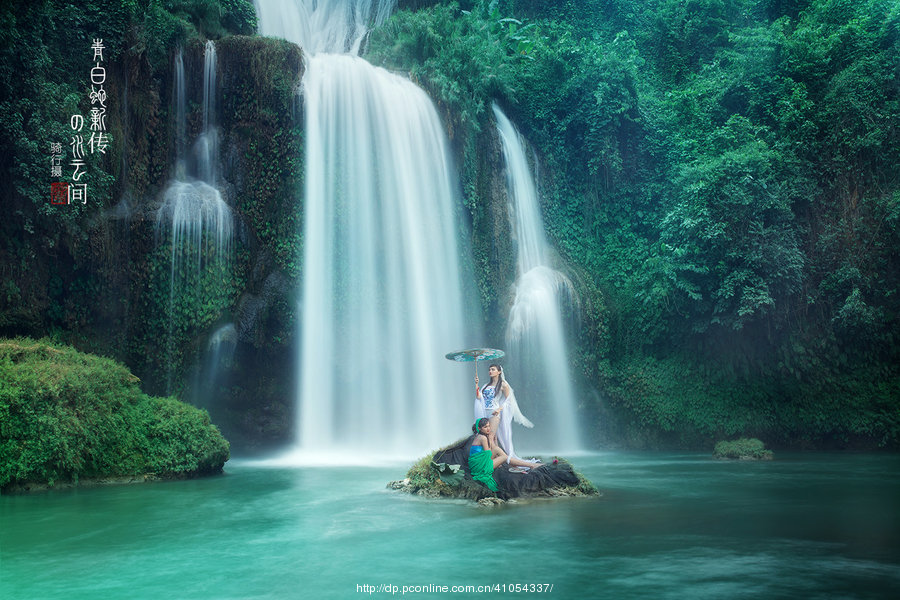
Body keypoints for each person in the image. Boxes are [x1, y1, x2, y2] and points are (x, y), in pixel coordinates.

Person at [473, 364, 538, 465]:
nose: (490, 371)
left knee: (490, 436)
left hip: (494, 413)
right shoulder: (486, 385)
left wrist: (499, 409)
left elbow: (509, 400)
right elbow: (479, 397)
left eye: (493, 369)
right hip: (485, 412)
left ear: (499, 372)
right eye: (489, 369)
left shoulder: (503, 385)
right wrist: (476, 384)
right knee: (493, 438)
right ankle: (497, 460)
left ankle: (489, 461)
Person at [468, 418, 541, 491]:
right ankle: (529, 465)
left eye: (489, 426)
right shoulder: (483, 438)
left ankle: (517, 466)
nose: (488, 429)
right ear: (479, 428)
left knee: (497, 450)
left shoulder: (480, 436)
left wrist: (495, 441)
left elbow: (490, 452)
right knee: (504, 457)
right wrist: (491, 440)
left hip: (480, 463)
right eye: (485, 427)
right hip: (481, 468)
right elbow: (488, 454)